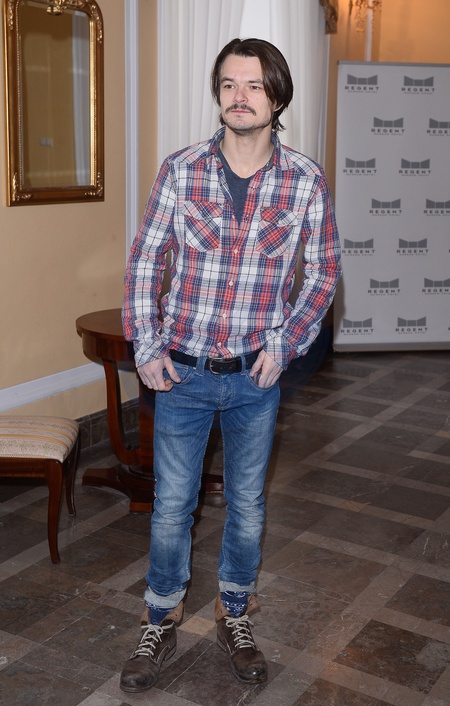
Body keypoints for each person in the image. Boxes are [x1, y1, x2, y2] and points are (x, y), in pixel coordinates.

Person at [120, 37, 341, 693]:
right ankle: (160, 617)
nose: (239, 97)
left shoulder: (305, 180)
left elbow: (323, 272)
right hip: (182, 374)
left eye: (253, 85)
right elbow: (146, 261)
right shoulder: (181, 170)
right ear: (218, 94)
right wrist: (146, 345)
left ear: (277, 98)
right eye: (228, 85)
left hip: (254, 378)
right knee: (171, 507)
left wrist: (286, 343)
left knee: (246, 505)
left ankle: (235, 614)